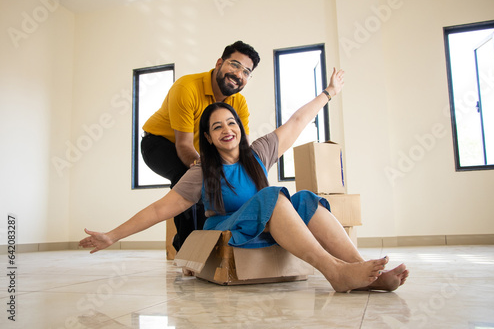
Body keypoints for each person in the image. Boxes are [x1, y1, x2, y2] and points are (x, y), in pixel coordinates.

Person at [80, 67, 409, 292]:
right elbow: (158, 210)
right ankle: (334, 271)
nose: (226, 130)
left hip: (264, 229)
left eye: (231, 123)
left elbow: (297, 121)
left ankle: (365, 271)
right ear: (208, 138)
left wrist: (329, 93)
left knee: (305, 198)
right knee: (273, 196)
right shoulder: (201, 172)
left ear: (240, 127)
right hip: (227, 232)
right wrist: (112, 235)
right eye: (217, 127)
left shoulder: (260, 151)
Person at [141, 41, 260, 250]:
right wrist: (206, 168)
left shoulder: (239, 103)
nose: (239, 74)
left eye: (246, 72)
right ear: (219, 63)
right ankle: (189, 250)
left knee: (226, 181)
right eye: (234, 65)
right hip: (159, 143)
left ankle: (220, 243)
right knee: (189, 178)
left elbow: (242, 148)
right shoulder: (186, 88)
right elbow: (184, 146)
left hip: (199, 150)